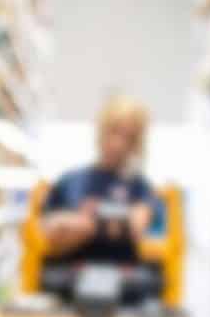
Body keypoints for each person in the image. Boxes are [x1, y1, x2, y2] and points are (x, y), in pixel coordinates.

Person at [40, 94, 156, 265]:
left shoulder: (140, 186)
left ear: (137, 143)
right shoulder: (70, 181)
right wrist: (108, 223)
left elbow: (138, 226)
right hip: (67, 279)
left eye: (129, 137)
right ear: (101, 129)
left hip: (125, 281)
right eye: (114, 131)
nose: (118, 144)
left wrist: (87, 223)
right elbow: (47, 229)